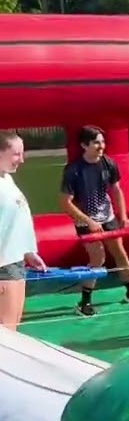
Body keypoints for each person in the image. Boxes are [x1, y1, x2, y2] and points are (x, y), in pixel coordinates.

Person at [59, 125, 129, 316]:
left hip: (107, 215)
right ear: (84, 145)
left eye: (102, 141)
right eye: (96, 142)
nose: (101, 146)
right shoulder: (74, 170)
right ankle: (84, 301)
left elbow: (117, 190)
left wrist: (124, 217)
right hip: (85, 219)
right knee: (98, 258)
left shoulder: (109, 163)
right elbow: (65, 203)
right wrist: (88, 221)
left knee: (120, 252)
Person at [0, 131, 44, 330]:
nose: (22, 160)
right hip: (2, 265)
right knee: (5, 334)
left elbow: (16, 220)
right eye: (16, 154)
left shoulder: (7, 178)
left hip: (14, 260)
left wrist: (28, 252)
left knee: (12, 328)